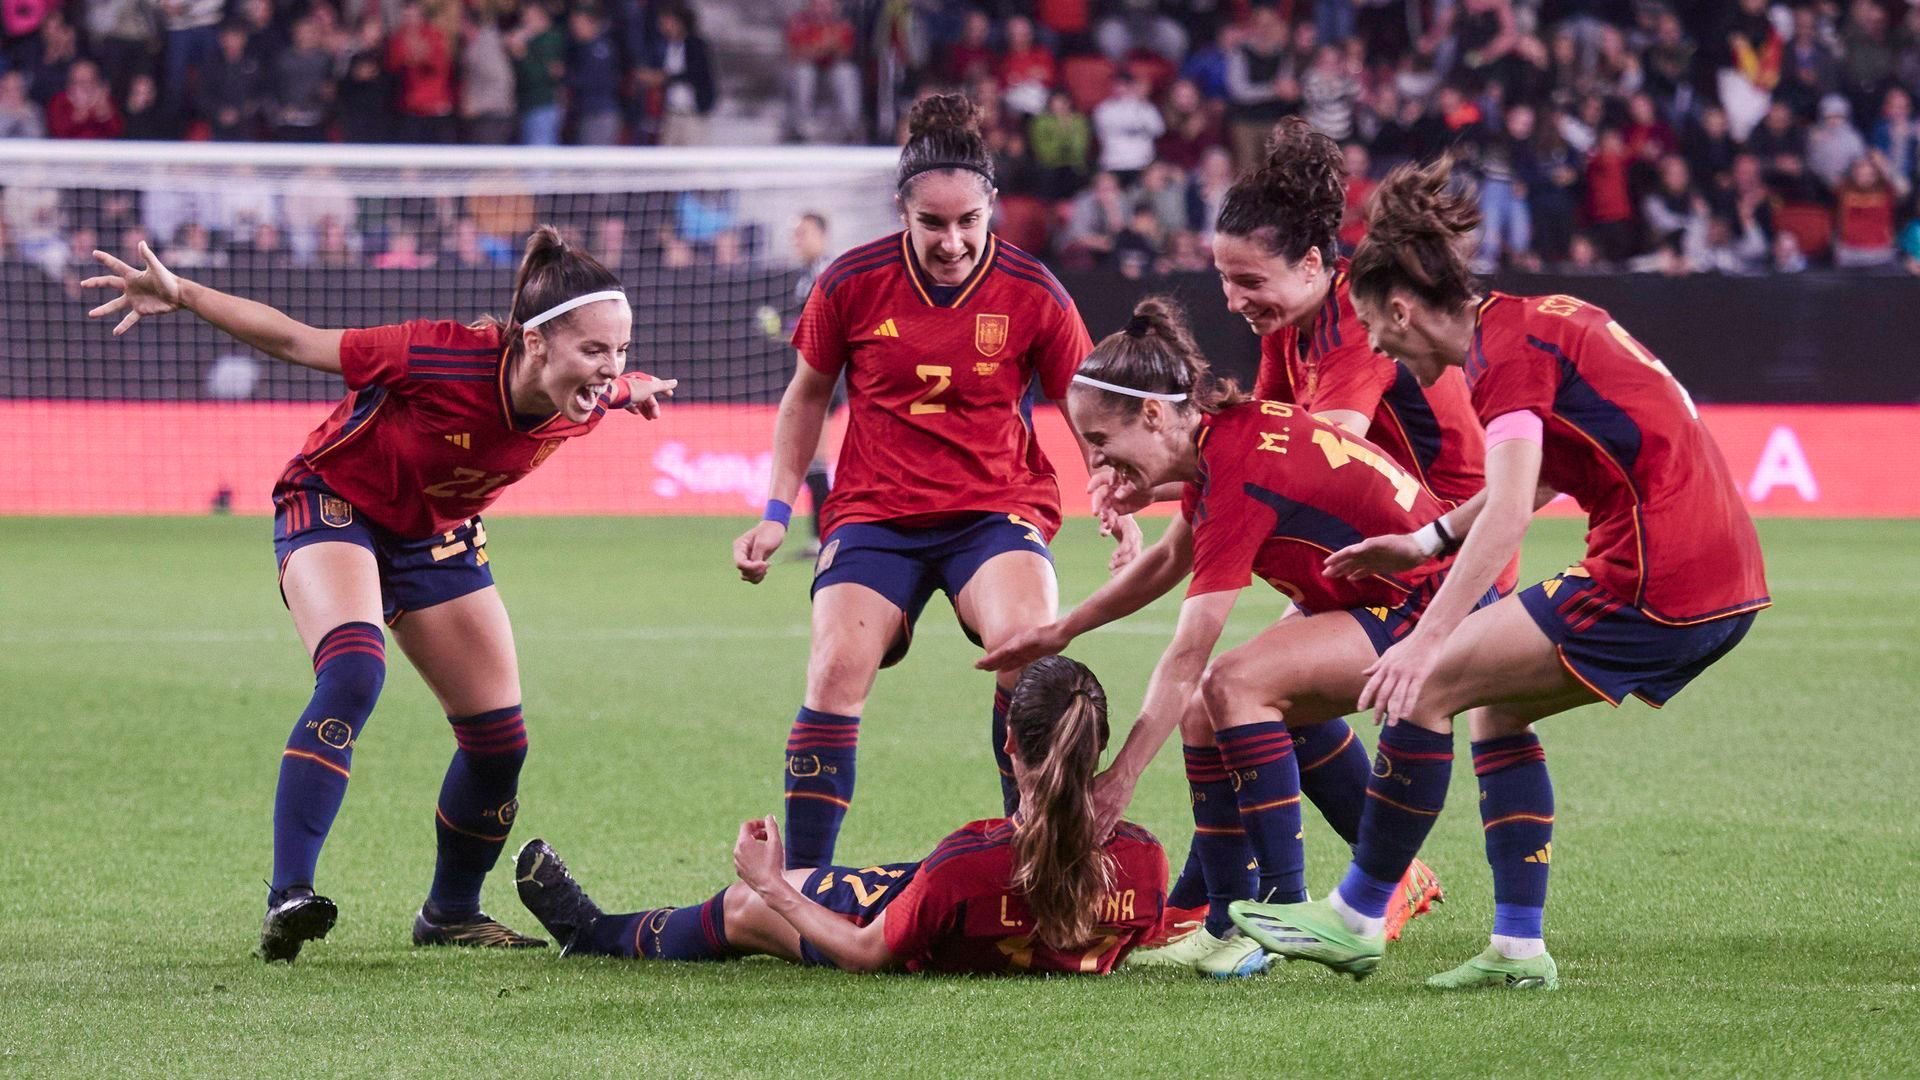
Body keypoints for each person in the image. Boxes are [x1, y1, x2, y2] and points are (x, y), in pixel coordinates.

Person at [1229, 158, 1768, 990]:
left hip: (1657, 579)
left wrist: (1426, 640)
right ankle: (1518, 948)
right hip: (1718, 579)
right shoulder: (1536, 321)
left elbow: (1515, 506)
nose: (1375, 346)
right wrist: (1425, 541)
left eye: (1376, 327)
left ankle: (1356, 915)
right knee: (1497, 710)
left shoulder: (1503, 360)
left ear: (1403, 307)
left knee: (1435, 681)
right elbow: (1557, 469)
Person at [81, 228, 677, 962]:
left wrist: (630, 388)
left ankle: (451, 913)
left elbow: (610, 385)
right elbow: (299, 342)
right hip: (334, 500)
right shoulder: (439, 354)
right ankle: (288, 897)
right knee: (355, 670)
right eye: (595, 352)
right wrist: (183, 293)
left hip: (434, 532)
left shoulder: (581, 393)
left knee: (499, 744)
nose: (610, 369)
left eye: (621, 351)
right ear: (533, 344)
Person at [1101, 117, 1497, 956]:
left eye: (1249, 281)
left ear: (1315, 266)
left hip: (1443, 562)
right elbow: (1262, 450)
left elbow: (1316, 455)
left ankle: (1272, 914)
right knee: (1234, 694)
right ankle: (1248, 902)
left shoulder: (1358, 327)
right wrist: (1148, 478)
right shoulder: (1290, 325)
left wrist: (1153, 478)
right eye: (1223, 280)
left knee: (1237, 686)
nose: (1234, 301)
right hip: (1369, 549)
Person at [731, 94, 1141, 878]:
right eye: (933, 224)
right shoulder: (850, 282)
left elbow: (1087, 406)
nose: (952, 242)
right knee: (834, 669)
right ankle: (804, 885)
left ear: (992, 209)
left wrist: (1113, 493)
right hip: (875, 515)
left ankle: (1032, 861)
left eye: (968, 223)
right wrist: (777, 512)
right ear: (903, 213)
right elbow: (806, 396)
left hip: (995, 511)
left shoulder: (1035, 291)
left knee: (1030, 656)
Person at [981, 297, 1451, 977]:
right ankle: (1229, 915)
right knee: (1208, 703)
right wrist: (1062, 628)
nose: (1102, 467)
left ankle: (1284, 914)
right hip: (1389, 595)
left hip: (1433, 606)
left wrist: (1123, 780)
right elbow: (1170, 560)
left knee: (1228, 683)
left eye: (1103, 445)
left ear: (1151, 415)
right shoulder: (1217, 444)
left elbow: (1186, 653)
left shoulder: (1231, 469)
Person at [512, 656, 1168, 974]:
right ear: (1100, 749)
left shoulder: (968, 862)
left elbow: (865, 952)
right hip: (956, 908)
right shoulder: (1145, 860)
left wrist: (769, 881)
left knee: (745, 907)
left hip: (914, 925)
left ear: (1009, 745)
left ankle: (594, 933)